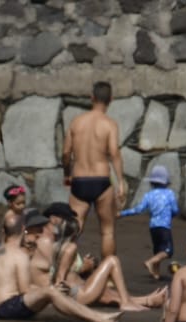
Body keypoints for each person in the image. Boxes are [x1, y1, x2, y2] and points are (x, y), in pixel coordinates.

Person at [0, 212, 121, 322]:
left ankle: (99, 316)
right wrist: (48, 290)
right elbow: (24, 290)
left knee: (52, 291)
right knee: (52, 292)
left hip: (3, 306)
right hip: (9, 307)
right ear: (23, 230)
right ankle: (99, 319)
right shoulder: (21, 256)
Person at [63, 81, 127, 258]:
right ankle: (108, 275)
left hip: (80, 180)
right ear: (111, 100)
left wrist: (67, 174)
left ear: (92, 98)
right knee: (107, 231)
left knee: (74, 228)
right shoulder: (110, 124)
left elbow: (66, 152)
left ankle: (64, 270)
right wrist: (121, 182)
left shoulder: (76, 122)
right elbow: (114, 152)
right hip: (101, 180)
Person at [119, 165, 179, 280]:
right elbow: (175, 210)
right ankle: (150, 262)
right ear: (166, 182)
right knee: (168, 251)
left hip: (153, 227)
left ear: (152, 182)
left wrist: (122, 213)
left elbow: (138, 209)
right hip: (164, 227)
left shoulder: (148, 195)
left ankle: (156, 275)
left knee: (158, 251)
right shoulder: (169, 194)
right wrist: (173, 214)